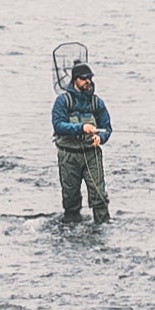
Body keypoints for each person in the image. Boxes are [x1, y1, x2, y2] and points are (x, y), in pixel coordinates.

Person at [52, 61, 112, 223]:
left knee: (99, 195)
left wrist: (101, 138)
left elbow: (107, 128)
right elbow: (58, 125)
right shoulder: (63, 101)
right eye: (84, 78)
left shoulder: (97, 103)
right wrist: (81, 128)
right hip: (68, 156)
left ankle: (102, 227)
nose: (88, 82)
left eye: (90, 78)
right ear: (75, 80)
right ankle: (71, 228)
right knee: (70, 197)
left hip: (92, 154)